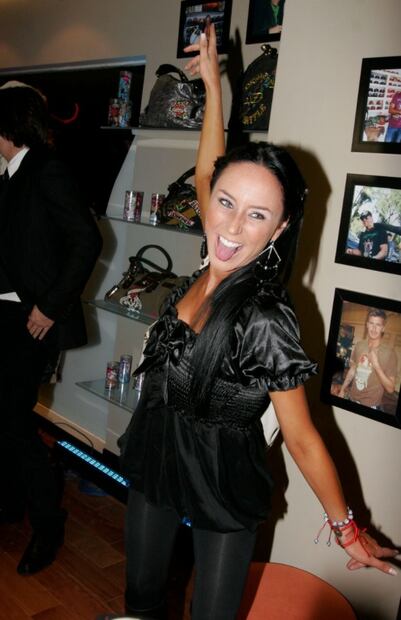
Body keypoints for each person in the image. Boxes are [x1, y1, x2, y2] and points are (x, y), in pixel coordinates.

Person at [100, 25, 397, 620]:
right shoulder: (207, 260)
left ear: (279, 229)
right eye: (225, 202)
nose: (232, 227)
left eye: (257, 215)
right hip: (158, 443)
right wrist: (215, 86)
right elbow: (209, 168)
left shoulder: (264, 316)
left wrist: (346, 528)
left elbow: (303, 436)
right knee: (141, 598)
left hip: (222, 470)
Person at [0, 86, 102, 575]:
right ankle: (11, 502)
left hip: (30, 320)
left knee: (15, 424)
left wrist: (49, 307)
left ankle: (48, 523)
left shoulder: (47, 169)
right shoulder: (11, 173)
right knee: (4, 420)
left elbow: (87, 241)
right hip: (3, 316)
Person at [338, 309, 398, 410]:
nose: (374, 328)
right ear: (367, 325)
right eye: (371, 323)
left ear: (383, 328)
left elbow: (390, 389)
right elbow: (353, 369)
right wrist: (342, 389)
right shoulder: (359, 345)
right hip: (351, 398)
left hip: (370, 405)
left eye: (378, 325)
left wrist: (376, 365)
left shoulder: (390, 353)